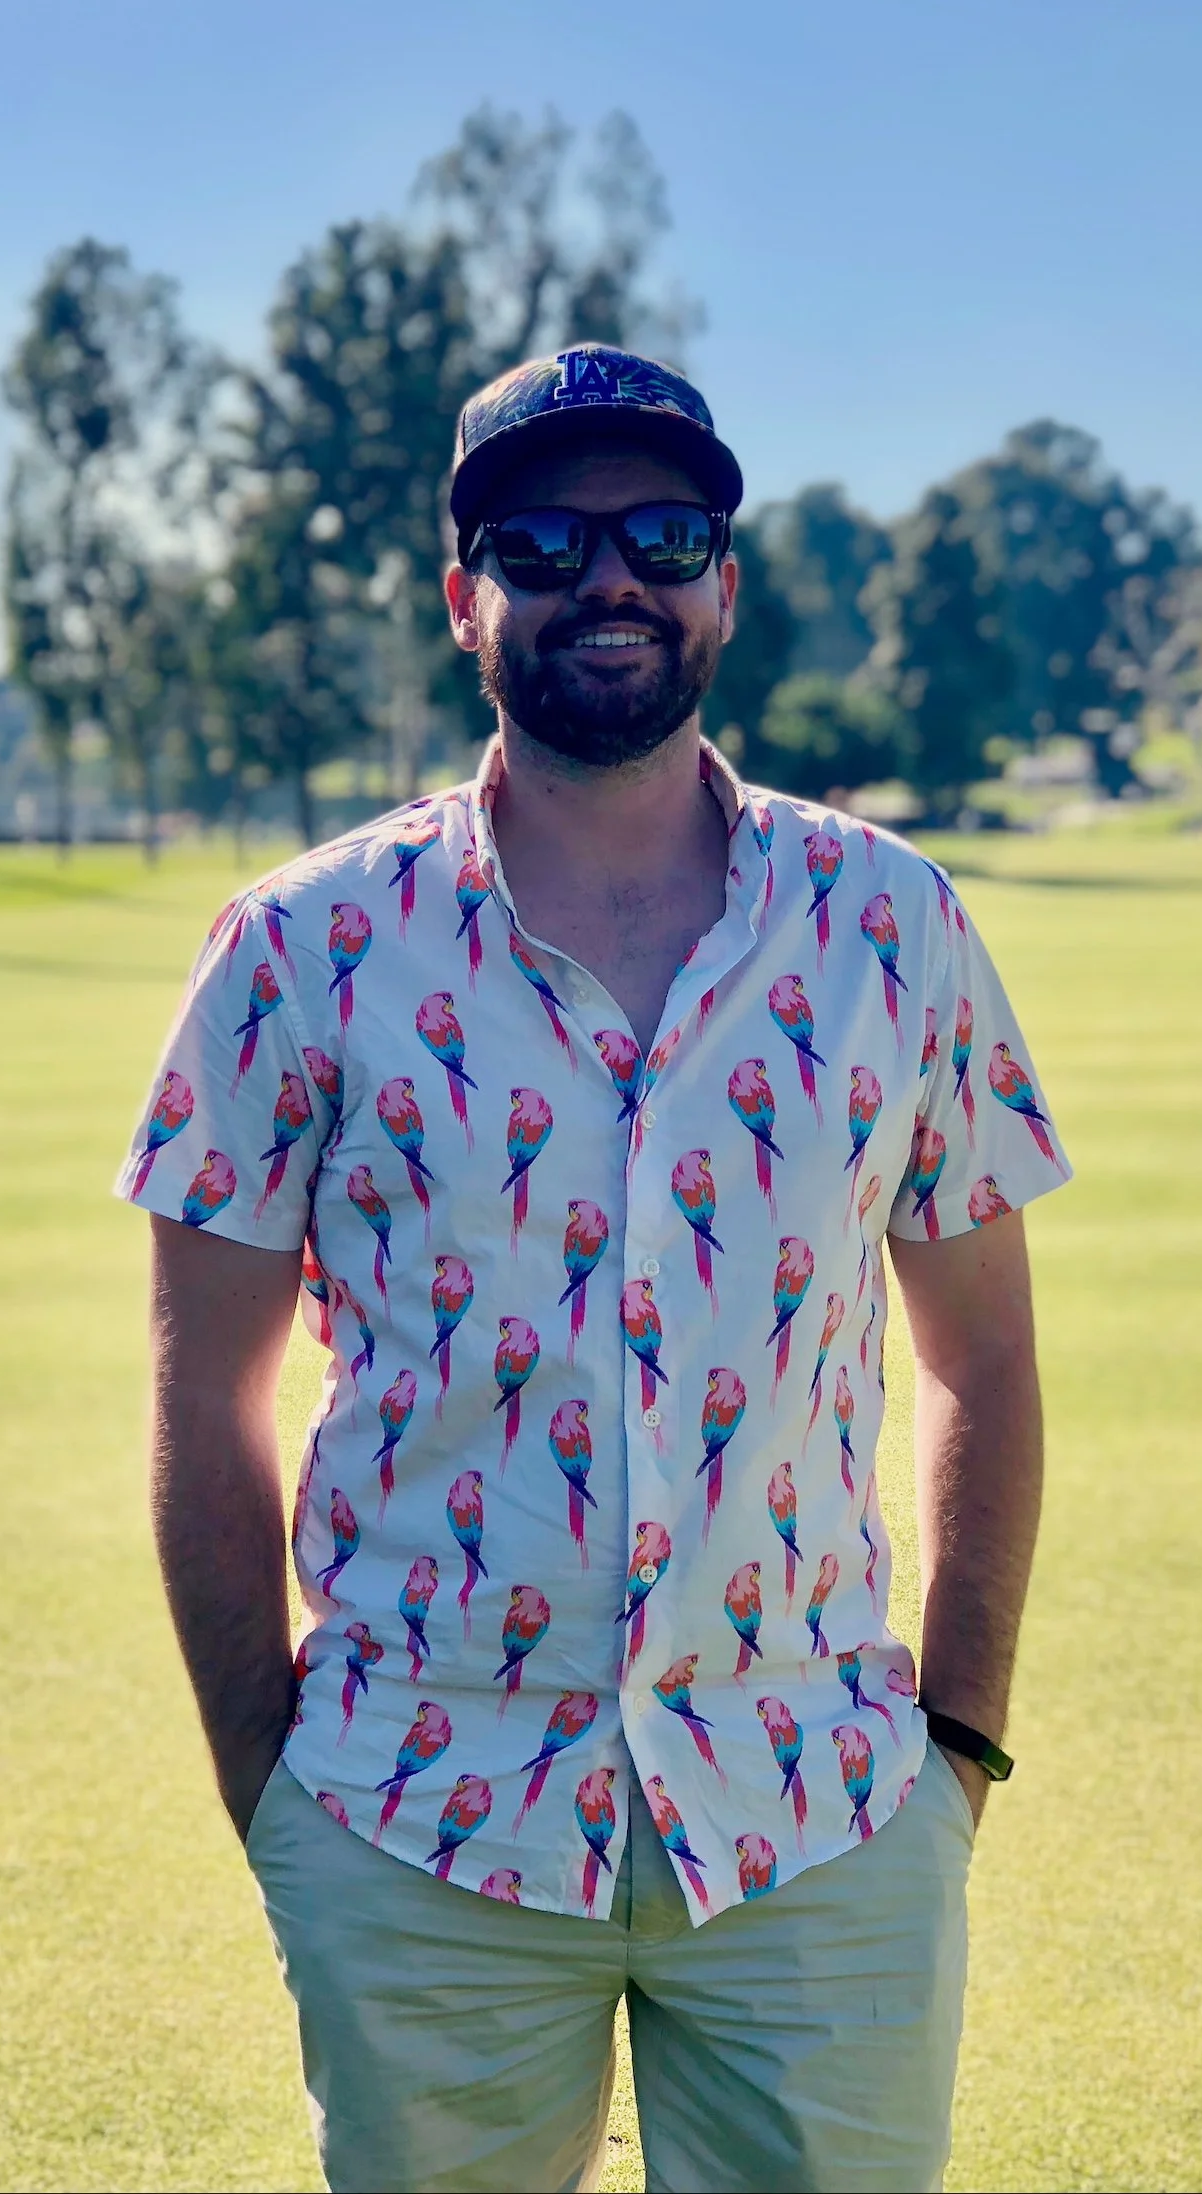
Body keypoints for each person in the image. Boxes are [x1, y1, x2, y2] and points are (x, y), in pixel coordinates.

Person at [119, 344, 1071, 2194]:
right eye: (544, 539)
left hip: (821, 1814)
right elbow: (200, 1398)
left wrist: (952, 1746)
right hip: (416, 1823)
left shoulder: (894, 923)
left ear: (726, 577)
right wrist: (274, 1788)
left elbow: (985, 1357)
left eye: (664, 531)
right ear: (464, 591)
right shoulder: (299, 949)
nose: (608, 577)